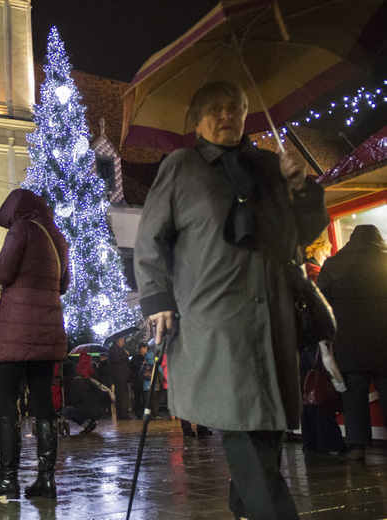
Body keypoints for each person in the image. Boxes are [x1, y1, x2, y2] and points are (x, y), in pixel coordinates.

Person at [134, 81, 328, 519]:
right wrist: (157, 298)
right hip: (214, 317)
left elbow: (303, 235)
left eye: (236, 109)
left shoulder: (268, 165)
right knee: (242, 423)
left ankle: (244, 504)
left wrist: (301, 187)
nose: (227, 116)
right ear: (198, 118)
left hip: (274, 314)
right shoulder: (182, 167)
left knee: (269, 424)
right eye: (217, 109)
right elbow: (149, 241)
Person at [0, 188, 70, 501]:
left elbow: (4, 273)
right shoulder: (57, 237)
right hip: (47, 330)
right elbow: (64, 284)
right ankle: (46, 479)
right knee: (42, 400)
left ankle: (7, 478)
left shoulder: (22, 229)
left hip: (17, 330)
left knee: (5, 400)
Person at [317, 224, 387, 461]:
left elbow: (320, 303)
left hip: (349, 343)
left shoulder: (335, 264)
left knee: (354, 395)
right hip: (384, 341)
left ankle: (357, 446)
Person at [298, 237, 343, 455]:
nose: (326, 257)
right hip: (314, 341)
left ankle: (311, 441)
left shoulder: (296, 271)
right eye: (325, 253)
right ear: (318, 249)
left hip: (299, 342)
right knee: (320, 388)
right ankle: (329, 442)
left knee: (307, 393)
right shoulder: (313, 271)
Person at [62, 355, 111, 434]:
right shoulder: (80, 378)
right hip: (97, 408)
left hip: (93, 410)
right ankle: (90, 422)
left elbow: (74, 399)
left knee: (67, 411)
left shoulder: (75, 382)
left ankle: (88, 424)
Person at [109, 337, 132, 419]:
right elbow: (116, 360)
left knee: (120, 395)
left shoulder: (119, 349)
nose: (123, 341)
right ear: (117, 341)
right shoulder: (114, 350)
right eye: (122, 340)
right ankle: (124, 414)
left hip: (122, 375)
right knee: (123, 395)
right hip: (120, 375)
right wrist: (125, 354)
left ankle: (121, 414)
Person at [130, 343, 148, 419]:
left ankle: (145, 412)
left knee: (145, 397)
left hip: (145, 380)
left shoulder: (147, 357)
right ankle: (139, 413)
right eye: (145, 348)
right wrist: (142, 363)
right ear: (141, 348)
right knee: (138, 397)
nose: (146, 350)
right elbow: (134, 366)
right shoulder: (136, 357)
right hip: (137, 380)